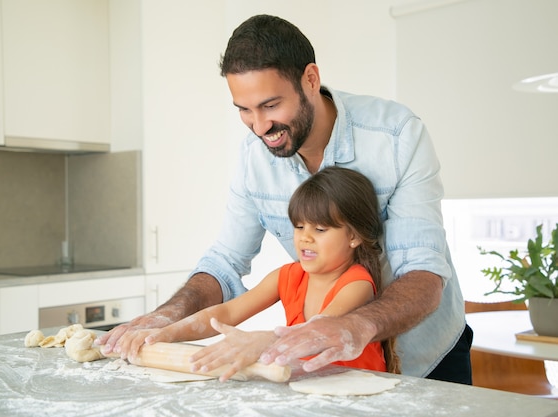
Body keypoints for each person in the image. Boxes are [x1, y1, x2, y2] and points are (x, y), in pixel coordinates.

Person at [97, 14, 472, 384]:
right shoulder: (253, 157)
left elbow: (422, 272)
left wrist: (348, 328)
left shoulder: (396, 135)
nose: (259, 127)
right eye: (244, 110)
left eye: (271, 105)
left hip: (428, 354)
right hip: (327, 368)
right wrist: (165, 320)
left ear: (310, 79)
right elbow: (225, 264)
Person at [142, 167, 400, 381]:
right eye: (299, 226)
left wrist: (261, 342)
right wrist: (166, 332)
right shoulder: (287, 276)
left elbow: (317, 329)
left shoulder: (357, 284)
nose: (305, 238)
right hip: (311, 390)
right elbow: (228, 312)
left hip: (362, 395)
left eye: (320, 229)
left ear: (353, 236)